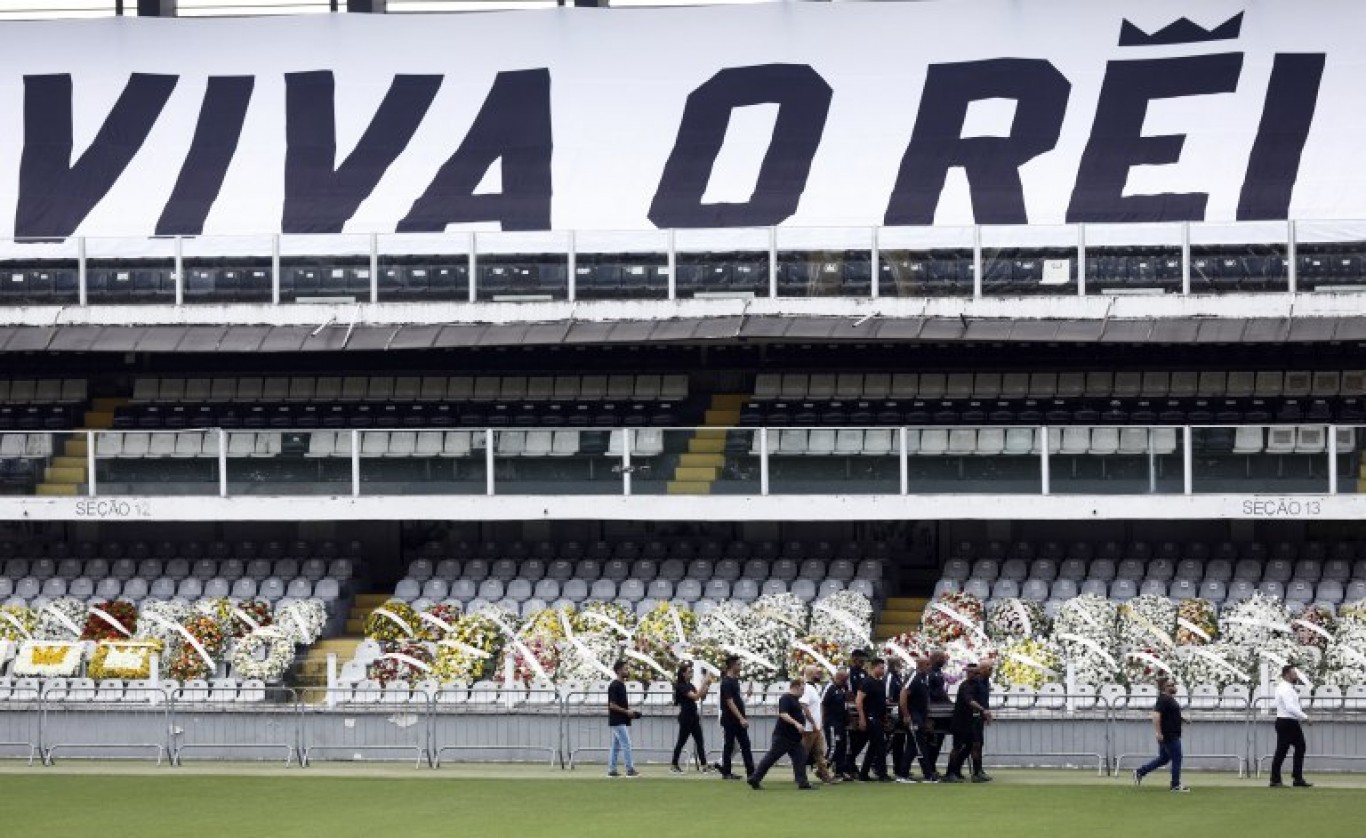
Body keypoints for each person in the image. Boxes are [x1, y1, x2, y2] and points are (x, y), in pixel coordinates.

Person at [748, 679, 816, 791]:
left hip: (794, 738)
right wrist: (796, 724)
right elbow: (783, 714)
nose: (803, 692)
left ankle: (802, 782)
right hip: (783, 736)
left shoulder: (796, 700)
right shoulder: (786, 698)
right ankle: (755, 778)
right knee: (771, 758)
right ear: (796, 687)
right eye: (802, 689)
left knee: (800, 758)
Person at [1133, 676, 1190, 792]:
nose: (1174, 687)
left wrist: (1182, 719)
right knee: (1177, 758)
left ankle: (1140, 772)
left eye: (1174, 684)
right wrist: (1158, 732)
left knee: (1164, 758)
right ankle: (1175, 785)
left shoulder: (1168, 699)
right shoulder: (1164, 699)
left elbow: (1169, 714)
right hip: (1169, 734)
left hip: (1169, 733)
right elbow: (1156, 716)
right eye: (1171, 685)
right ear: (1164, 687)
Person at [943, 663, 992, 783]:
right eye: (970, 672)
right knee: (958, 747)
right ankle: (950, 773)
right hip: (962, 721)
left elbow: (981, 700)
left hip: (974, 721)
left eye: (974, 672)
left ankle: (976, 772)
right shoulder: (965, 685)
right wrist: (983, 710)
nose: (972, 674)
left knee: (974, 745)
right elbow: (970, 701)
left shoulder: (980, 684)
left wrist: (984, 713)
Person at [1270, 665, 1313, 788]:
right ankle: (1276, 779)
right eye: (1294, 674)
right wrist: (1305, 717)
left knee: (1299, 747)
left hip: (1289, 722)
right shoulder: (1285, 689)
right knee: (1283, 751)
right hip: (1287, 722)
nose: (1296, 676)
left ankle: (1296, 778)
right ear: (1287, 675)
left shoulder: (1287, 688)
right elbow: (1290, 707)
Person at [713, 655, 754, 780]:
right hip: (730, 720)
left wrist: (747, 695)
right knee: (729, 745)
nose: (740, 667)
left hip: (737, 719)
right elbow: (730, 702)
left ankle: (751, 772)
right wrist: (741, 718)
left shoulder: (735, 681)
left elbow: (737, 700)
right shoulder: (726, 682)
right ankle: (727, 772)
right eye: (738, 664)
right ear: (732, 665)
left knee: (745, 745)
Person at [901, 655, 938, 782]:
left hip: (920, 716)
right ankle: (928, 775)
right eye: (927, 665)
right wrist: (906, 715)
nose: (930, 667)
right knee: (920, 745)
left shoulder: (924, 678)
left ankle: (903, 774)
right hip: (913, 716)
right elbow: (903, 694)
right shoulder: (914, 677)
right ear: (920, 665)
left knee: (912, 746)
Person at [670, 662, 711, 774]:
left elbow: (701, 696)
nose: (691, 673)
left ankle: (704, 765)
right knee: (681, 741)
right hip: (686, 716)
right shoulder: (681, 686)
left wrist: (707, 685)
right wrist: (704, 683)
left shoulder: (690, 685)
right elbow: (696, 697)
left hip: (693, 715)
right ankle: (674, 764)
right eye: (689, 672)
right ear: (683, 674)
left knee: (699, 741)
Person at [799, 665, 837, 784]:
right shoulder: (807, 688)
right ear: (810, 674)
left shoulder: (814, 688)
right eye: (817, 673)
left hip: (816, 727)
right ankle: (800, 776)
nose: (819, 675)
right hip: (809, 728)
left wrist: (819, 723)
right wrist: (812, 722)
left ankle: (824, 774)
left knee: (820, 753)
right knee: (804, 753)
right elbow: (804, 705)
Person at [856, 657, 892, 781]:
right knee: (880, 746)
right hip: (871, 717)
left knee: (873, 747)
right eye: (881, 668)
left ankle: (863, 773)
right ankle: (882, 774)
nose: (883, 670)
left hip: (879, 717)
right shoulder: (867, 682)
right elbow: (859, 700)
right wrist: (862, 718)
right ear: (874, 667)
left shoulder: (880, 682)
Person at [607, 660, 642, 777]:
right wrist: (626, 711)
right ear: (618, 671)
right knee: (626, 744)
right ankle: (629, 769)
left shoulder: (621, 685)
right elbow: (612, 705)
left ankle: (612, 769)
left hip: (619, 719)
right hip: (617, 720)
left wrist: (628, 712)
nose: (627, 671)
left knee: (616, 746)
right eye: (625, 669)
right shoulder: (615, 685)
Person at [924, 650, 951, 777]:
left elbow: (940, 691)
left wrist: (949, 702)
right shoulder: (929, 673)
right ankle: (929, 769)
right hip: (933, 712)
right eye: (942, 658)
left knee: (938, 739)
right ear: (935, 659)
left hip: (940, 710)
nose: (944, 660)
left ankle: (931, 767)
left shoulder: (938, 672)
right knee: (932, 740)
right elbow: (928, 692)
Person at [843, 648, 870, 778]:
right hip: (852, 710)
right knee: (851, 739)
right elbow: (847, 692)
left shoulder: (864, 673)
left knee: (862, 738)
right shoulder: (848, 674)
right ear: (854, 659)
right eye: (861, 659)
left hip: (863, 709)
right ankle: (848, 766)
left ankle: (850, 763)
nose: (863, 662)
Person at [821, 666, 851, 780]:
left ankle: (840, 771)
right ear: (838, 678)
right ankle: (822, 769)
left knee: (843, 747)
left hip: (841, 722)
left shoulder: (842, 688)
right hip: (831, 722)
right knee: (833, 747)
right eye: (844, 680)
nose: (845, 682)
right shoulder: (830, 687)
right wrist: (822, 720)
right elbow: (822, 703)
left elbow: (845, 705)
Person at [885, 656, 910, 781]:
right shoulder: (890, 677)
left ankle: (898, 767)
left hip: (898, 713)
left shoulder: (897, 678)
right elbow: (888, 697)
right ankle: (879, 765)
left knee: (899, 742)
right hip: (893, 714)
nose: (901, 666)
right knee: (893, 742)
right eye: (899, 663)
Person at [969, 660, 994, 781]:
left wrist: (987, 713)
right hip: (973, 717)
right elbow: (973, 700)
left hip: (980, 717)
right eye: (989, 669)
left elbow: (985, 700)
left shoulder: (986, 682)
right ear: (982, 669)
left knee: (979, 743)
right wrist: (983, 711)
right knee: (975, 744)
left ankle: (979, 769)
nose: (991, 671)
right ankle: (976, 772)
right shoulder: (976, 682)